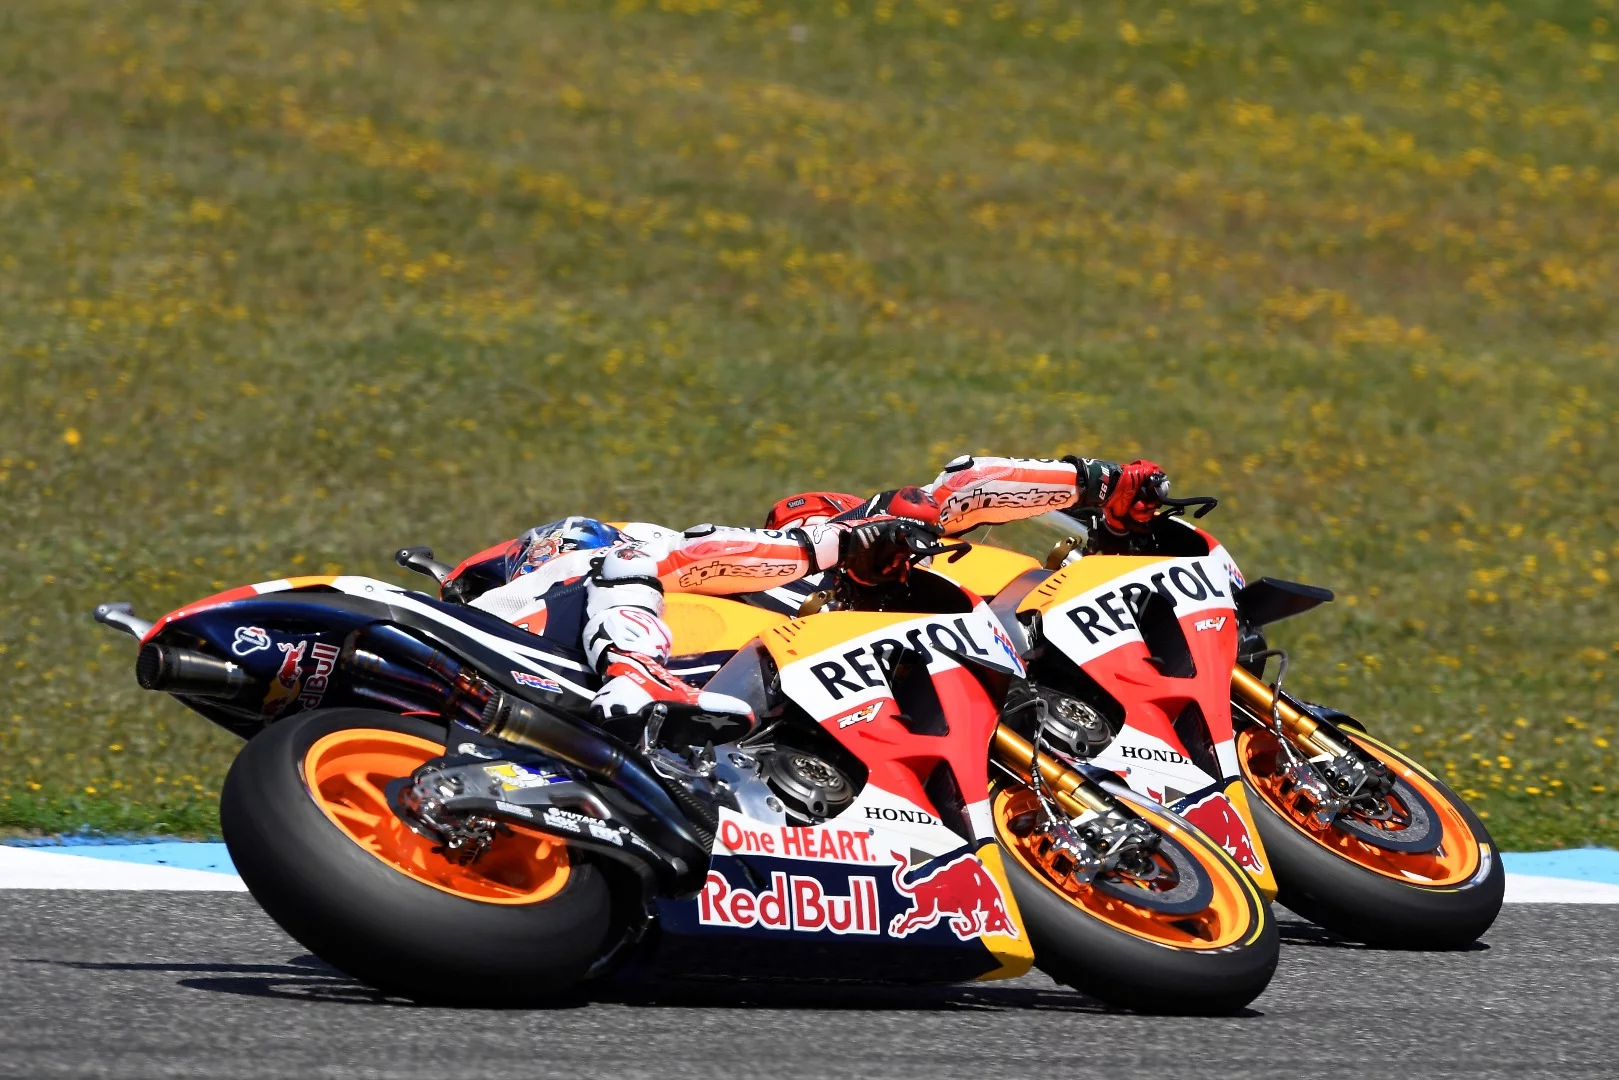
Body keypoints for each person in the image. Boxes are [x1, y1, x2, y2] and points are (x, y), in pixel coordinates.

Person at [459, 513, 942, 732]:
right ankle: (638, 676)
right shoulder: (578, 563)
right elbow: (701, 549)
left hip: (533, 702)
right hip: (525, 658)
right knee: (628, 558)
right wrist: (831, 544)